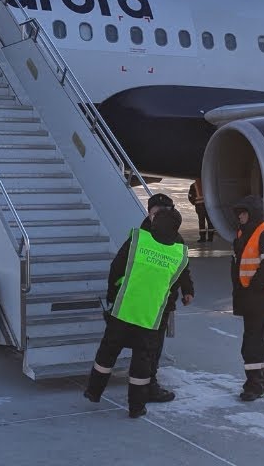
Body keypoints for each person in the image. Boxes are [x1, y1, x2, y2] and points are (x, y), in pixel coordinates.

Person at [83, 208, 189, 418]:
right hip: (150, 318)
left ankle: (94, 391)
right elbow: (173, 287)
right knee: (142, 363)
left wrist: (112, 295)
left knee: (107, 353)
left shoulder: (138, 240)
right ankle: (136, 407)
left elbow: (117, 268)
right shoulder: (180, 254)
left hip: (124, 310)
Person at [135, 193, 193, 402]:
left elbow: (183, 266)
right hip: (144, 300)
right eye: (156, 213)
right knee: (145, 346)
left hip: (164, 300)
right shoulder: (142, 235)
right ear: (150, 213)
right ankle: (145, 385)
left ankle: (148, 382)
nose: (159, 217)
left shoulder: (175, 236)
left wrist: (188, 290)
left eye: (164, 213)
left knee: (155, 345)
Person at [229, 195, 264, 402]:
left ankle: (254, 385)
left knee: (252, 341)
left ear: (251, 213)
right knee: (262, 337)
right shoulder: (243, 233)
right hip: (250, 295)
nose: (240, 216)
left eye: (243, 212)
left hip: (260, 296)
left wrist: (252, 290)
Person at [188, 179, 214, 243]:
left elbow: (190, 196)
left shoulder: (194, 185)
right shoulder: (208, 184)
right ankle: (210, 238)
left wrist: (194, 202)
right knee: (210, 222)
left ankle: (203, 238)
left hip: (200, 206)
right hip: (208, 206)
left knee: (201, 222)